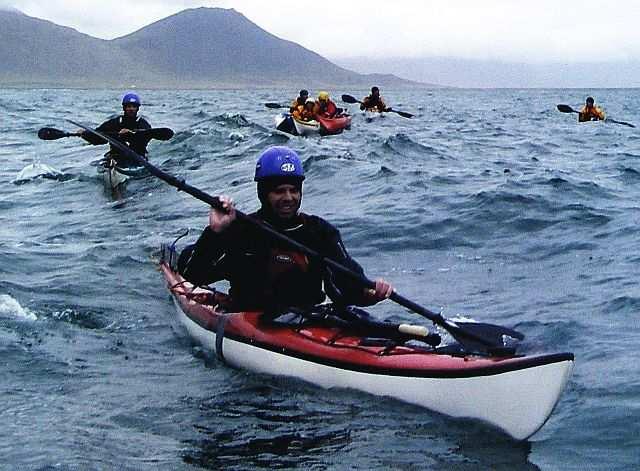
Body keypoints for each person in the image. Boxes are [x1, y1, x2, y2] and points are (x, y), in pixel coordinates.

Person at [178, 146, 393, 314]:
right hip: (248, 319)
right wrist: (214, 232)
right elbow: (192, 275)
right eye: (279, 191)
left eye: (294, 190)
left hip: (308, 319)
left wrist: (371, 294)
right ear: (263, 193)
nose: (288, 198)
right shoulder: (241, 229)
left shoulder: (320, 232)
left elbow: (346, 288)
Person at [75, 92, 152, 166]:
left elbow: (147, 137)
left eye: (134, 106)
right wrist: (85, 134)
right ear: (124, 108)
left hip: (137, 157)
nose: (131, 109)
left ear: (137, 108)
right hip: (117, 157)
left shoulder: (143, 124)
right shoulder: (115, 122)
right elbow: (98, 137)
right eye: (129, 106)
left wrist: (131, 134)